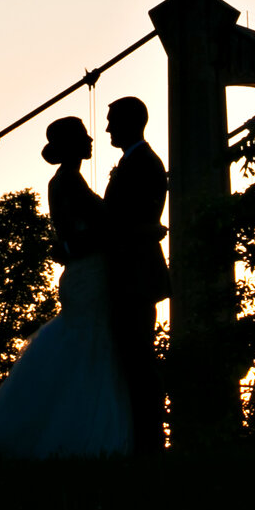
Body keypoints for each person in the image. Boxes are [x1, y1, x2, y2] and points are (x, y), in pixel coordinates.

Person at [0, 117, 132, 458]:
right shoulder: (70, 181)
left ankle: (76, 432)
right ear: (72, 145)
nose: (92, 140)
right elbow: (95, 229)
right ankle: (87, 437)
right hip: (88, 274)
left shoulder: (62, 181)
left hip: (81, 273)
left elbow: (71, 236)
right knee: (89, 349)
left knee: (82, 348)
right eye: (84, 137)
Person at [100, 95, 169, 453]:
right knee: (131, 359)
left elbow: (130, 222)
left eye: (112, 120)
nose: (107, 127)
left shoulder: (144, 164)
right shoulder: (134, 162)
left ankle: (148, 443)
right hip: (130, 278)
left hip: (136, 279)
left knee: (139, 361)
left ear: (130, 121)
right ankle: (140, 440)